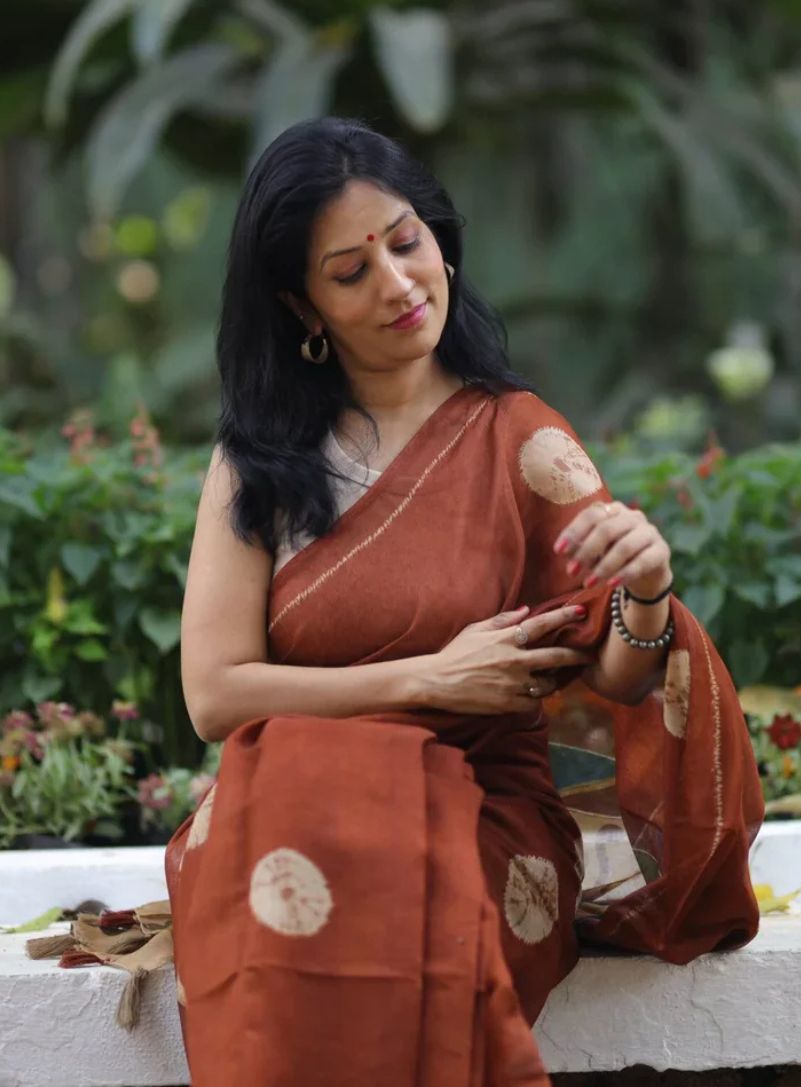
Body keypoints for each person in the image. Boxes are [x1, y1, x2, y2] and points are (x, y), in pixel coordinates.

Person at [164, 116, 764, 1085]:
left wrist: (648, 592)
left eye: (405, 243)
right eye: (350, 271)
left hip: (482, 812)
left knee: (413, 917)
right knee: (295, 857)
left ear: (439, 240)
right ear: (302, 305)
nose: (398, 283)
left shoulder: (522, 441)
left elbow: (615, 674)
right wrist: (428, 678)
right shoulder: (259, 466)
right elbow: (215, 695)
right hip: (292, 813)